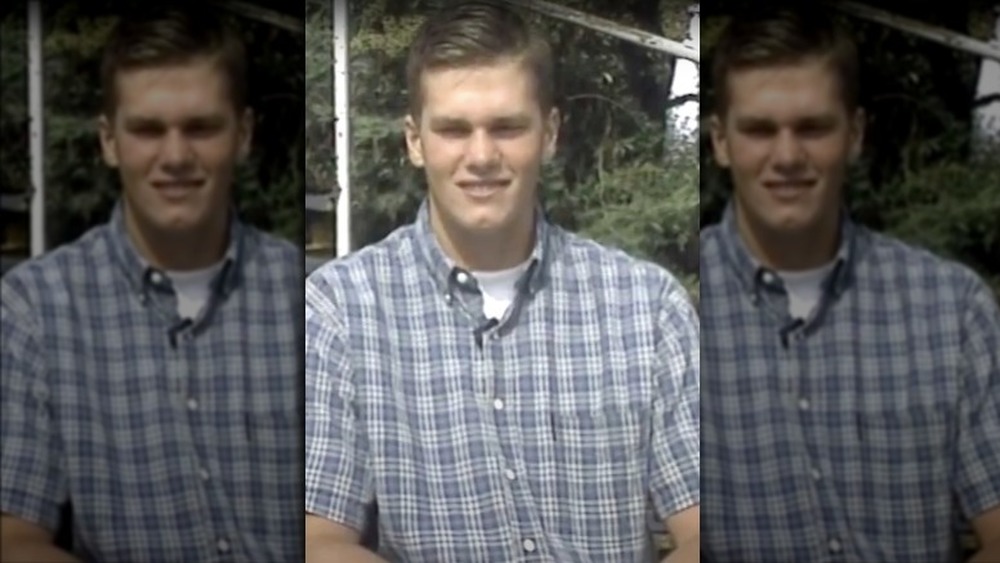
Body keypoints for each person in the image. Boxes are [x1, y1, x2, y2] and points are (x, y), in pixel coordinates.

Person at [303, 2, 701, 561]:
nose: (482, 155)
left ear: (550, 133)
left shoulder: (647, 308)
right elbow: (318, 538)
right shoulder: (340, 310)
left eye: (508, 127)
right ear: (415, 141)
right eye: (454, 130)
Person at [0, 6, 302, 562]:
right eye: (147, 130)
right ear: (109, 141)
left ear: (244, 134)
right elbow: (13, 534)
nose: (175, 156)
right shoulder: (35, 309)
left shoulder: (301, 295)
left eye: (201, 127)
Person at [700, 5, 1000, 562]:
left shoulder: (952, 309)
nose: (787, 156)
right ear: (720, 141)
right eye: (760, 130)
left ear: (855, 133)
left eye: (813, 128)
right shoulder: (677, 318)